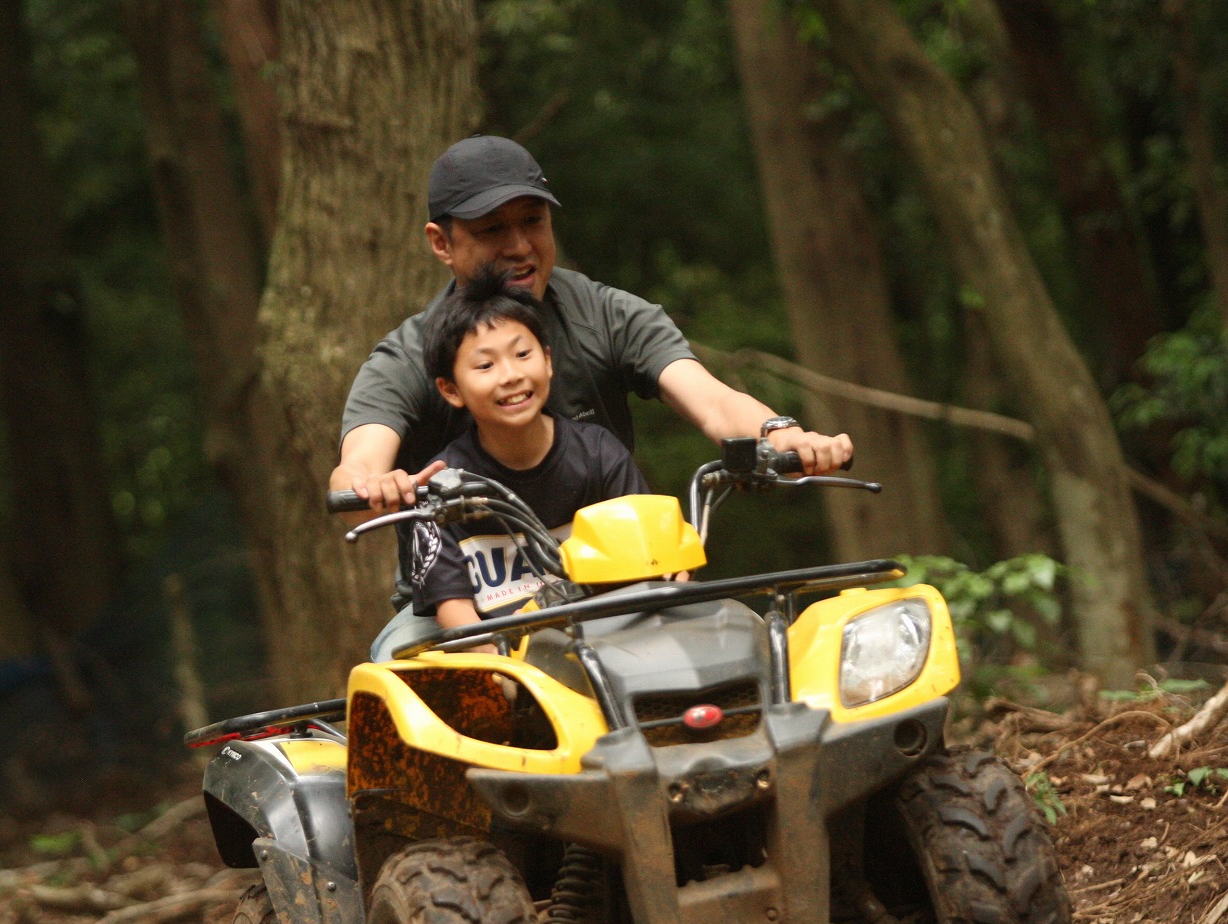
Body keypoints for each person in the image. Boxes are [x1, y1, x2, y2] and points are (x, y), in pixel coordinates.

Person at [329, 134, 853, 517]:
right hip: (459, 603)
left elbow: (712, 401)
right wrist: (372, 484)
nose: (519, 247)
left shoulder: (607, 315)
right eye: (491, 230)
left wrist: (782, 435)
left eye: (532, 221)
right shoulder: (409, 355)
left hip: (615, 577)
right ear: (441, 243)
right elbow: (357, 466)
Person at [369, 266, 651, 661]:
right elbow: (454, 610)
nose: (511, 375)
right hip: (498, 652)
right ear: (450, 389)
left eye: (522, 354)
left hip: (605, 642)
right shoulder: (441, 486)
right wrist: (502, 669)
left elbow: (646, 559)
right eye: (485, 366)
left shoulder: (599, 453)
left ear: (547, 360)